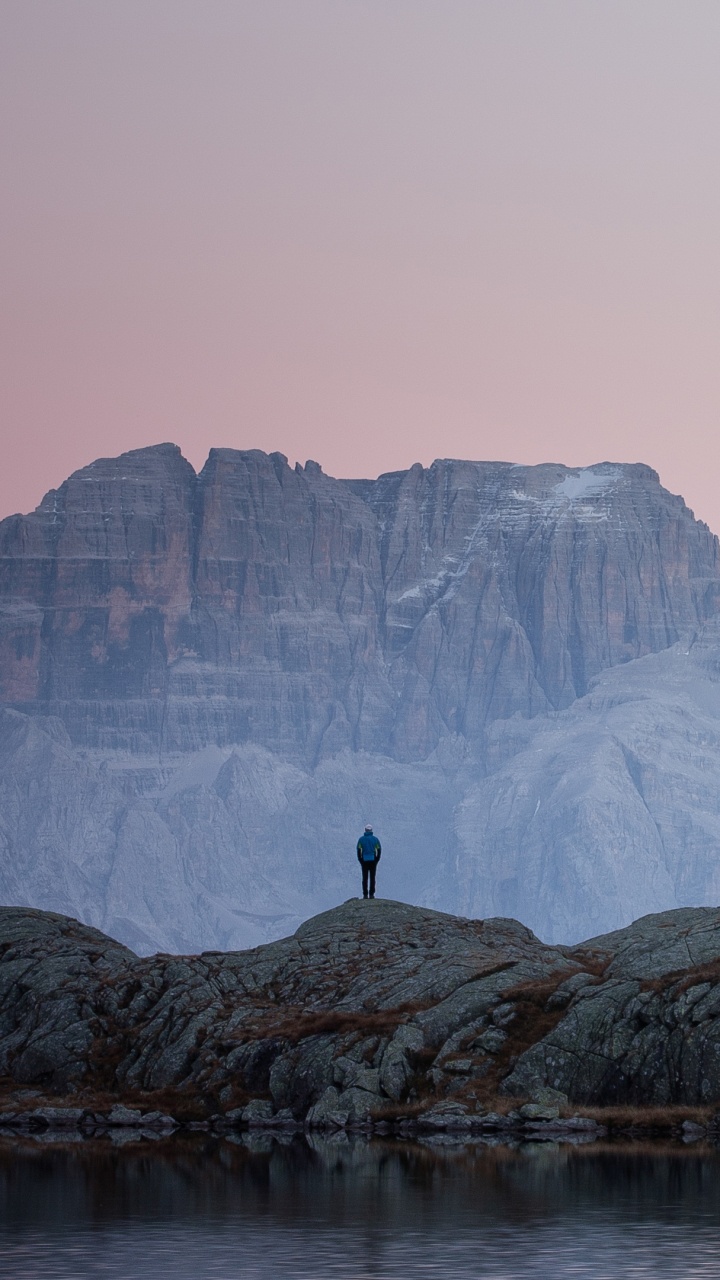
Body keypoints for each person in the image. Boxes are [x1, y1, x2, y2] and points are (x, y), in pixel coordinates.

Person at [357, 824, 381, 899]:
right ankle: (371, 894)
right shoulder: (375, 839)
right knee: (372, 877)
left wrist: (360, 859)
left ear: (365, 830)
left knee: (365, 878)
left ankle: (365, 894)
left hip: (364, 860)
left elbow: (359, 850)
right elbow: (379, 849)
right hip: (373, 860)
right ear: (371, 831)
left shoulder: (361, 839)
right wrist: (376, 859)